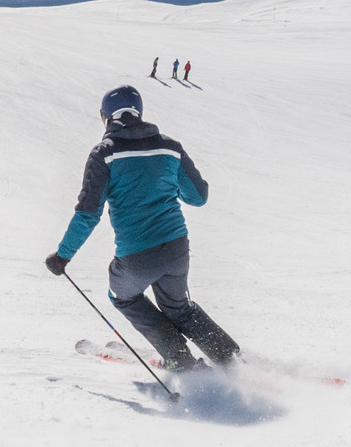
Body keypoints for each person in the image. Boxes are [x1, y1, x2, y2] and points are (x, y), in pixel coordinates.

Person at [43, 85, 239, 372]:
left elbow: (88, 214)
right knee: (179, 308)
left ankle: (178, 357)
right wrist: (165, 183)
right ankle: (232, 359)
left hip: (136, 256)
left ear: (105, 117)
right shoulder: (170, 147)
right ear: (139, 113)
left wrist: (62, 256)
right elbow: (198, 197)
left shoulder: (104, 154)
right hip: (176, 248)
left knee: (122, 296)